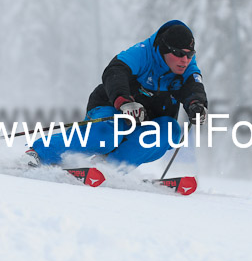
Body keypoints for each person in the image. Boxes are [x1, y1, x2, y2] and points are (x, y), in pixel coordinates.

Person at [25, 20, 208, 169]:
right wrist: (124, 102)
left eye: (190, 54)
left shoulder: (187, 68)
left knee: (171, 131)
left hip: (148, 120)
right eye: (179, 54)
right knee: (106, 136)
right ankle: (39, 153)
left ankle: (107, 168)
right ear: (164, 49)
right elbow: (114, 72)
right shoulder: (143, 53)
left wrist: (196, 104)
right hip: (111, 107)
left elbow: (194, 88)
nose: (185, 60)